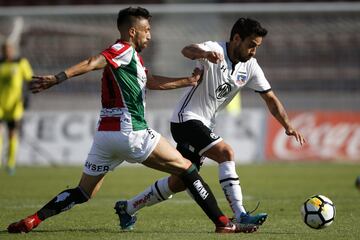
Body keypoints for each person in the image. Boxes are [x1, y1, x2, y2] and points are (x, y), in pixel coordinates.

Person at [7, 7, 256, 234]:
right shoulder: (122, 49)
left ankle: (33, 220)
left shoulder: (132, 60)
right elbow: (95, 61)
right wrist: (59, 77)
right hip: (131, 131)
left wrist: (187, 81)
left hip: (105, 138)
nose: (150, 35)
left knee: (83, 192)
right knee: (188, 169)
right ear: (132, 31)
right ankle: (223, 223)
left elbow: (152, 82)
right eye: (146, 30)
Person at [117, 17, 306, 232]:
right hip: (185, 119)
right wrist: (204, 54)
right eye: (251, 45)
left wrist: (288, 125)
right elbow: (187, 50)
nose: (254, 51)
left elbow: (270, 98)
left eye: (257, 47)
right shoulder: (214, 48)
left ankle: (128, 207)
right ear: (237, 39)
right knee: (226, 152)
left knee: (180, 181)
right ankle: (240, 214)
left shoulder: (251, 66)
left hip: (204, 124)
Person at [0, 41, 33, 175]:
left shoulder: (21, 63)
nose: (7, 52)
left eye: (9, 49)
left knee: (12, 134)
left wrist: (26, 98)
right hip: (1, 105)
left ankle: (10, 164)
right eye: (5, 49)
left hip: (15, 106)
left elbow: (29, 80)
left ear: (13, 50)